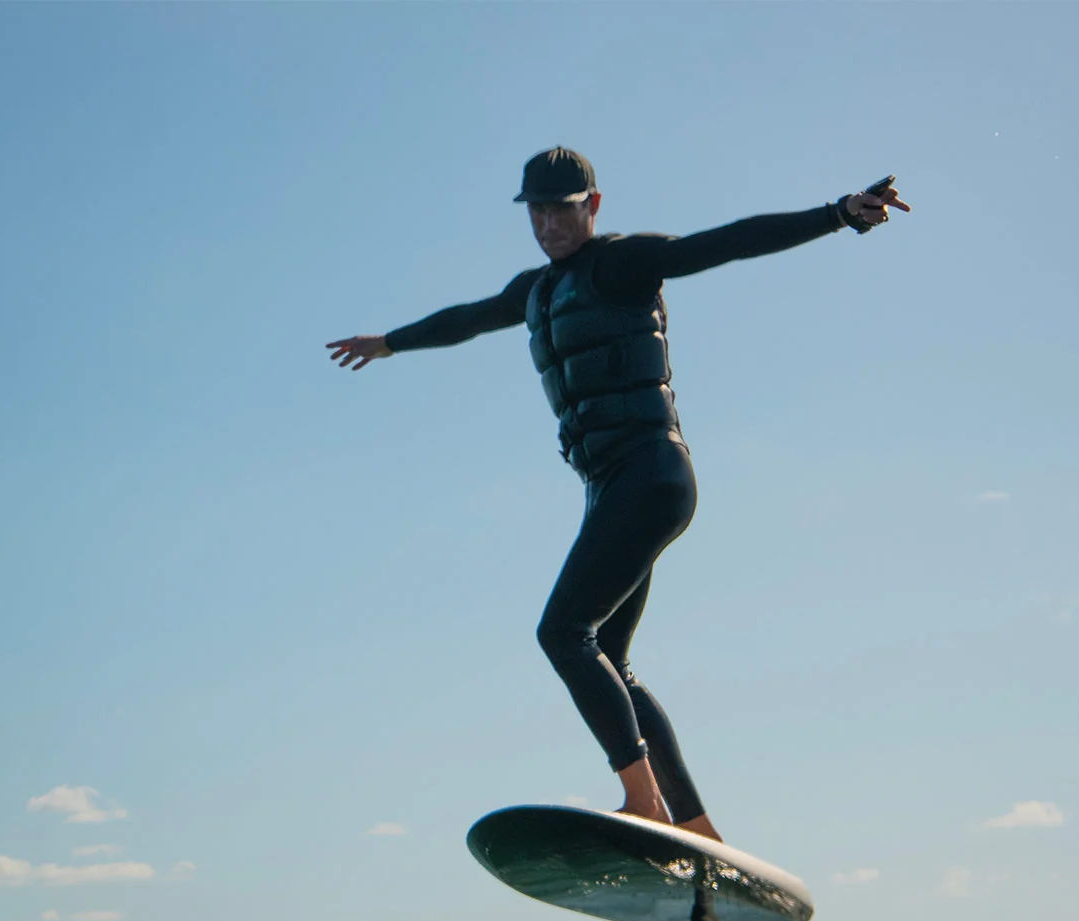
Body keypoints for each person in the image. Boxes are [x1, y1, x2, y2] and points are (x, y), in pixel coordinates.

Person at [326, 147, 911, 843]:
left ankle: (642, 801)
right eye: (537, 211)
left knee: (561, 632)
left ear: (593, 206)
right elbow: (468, 318)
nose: (548, 223)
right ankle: (698, 828)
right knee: (608, 655)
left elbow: (723, 244)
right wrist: (389, 343)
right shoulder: (534, 292)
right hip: (609, 489)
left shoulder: (624, 262)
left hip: (652, 474)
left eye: (562, 208)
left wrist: (837, 215)